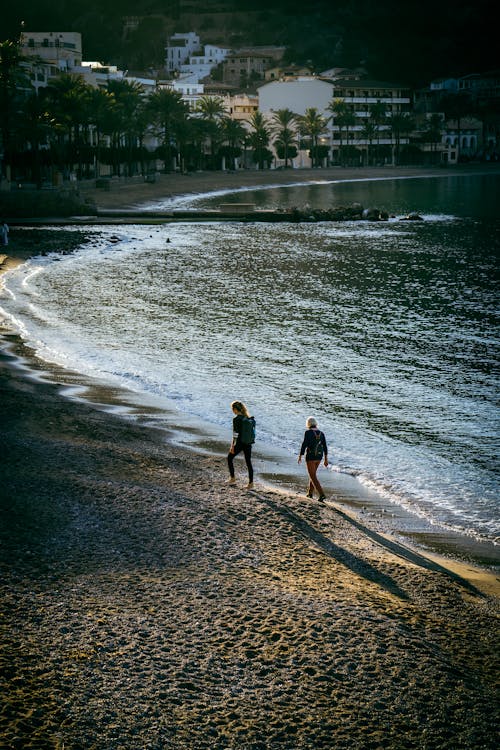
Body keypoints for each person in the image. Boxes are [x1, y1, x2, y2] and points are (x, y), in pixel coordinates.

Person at [298, 416, 328, 501]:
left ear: (308, 424)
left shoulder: (308, 433)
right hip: (319, 456)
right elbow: (325, 446)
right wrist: (326, 459)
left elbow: (304, 445)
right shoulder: (321, 433)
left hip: (311, 456)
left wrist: (300, 455)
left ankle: (322, 494)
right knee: (313, 474)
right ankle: (310, 493)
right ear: (315, 423)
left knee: (313, 476)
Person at [227, 400, 255, 489]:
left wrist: (232, 446)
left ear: (235, 409)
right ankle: (251, 483)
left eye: (232, 409)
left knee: (229, 458)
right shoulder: (247, 418)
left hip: (240, 443)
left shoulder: (236, 419)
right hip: (248, 443)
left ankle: (232, 478)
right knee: (248, 462)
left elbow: (235, 434)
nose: (232, 411)